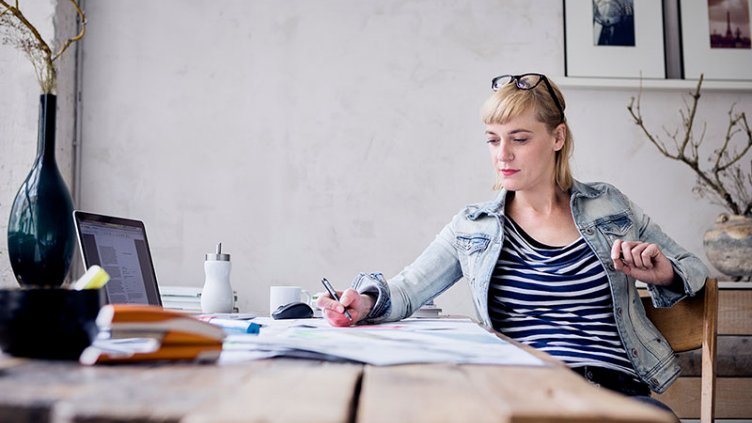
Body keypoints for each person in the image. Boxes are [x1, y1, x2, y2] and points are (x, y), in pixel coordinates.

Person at [317, 73, 708, 416]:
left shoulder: (610, 206)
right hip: (520, 391)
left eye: (519, 139)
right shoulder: (473, 228)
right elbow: (406, 289)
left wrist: (665, 273)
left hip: (612, 389)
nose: (502, 155)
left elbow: (693, 269)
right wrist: (363, 302)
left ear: (557, 137)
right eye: (492, 140)